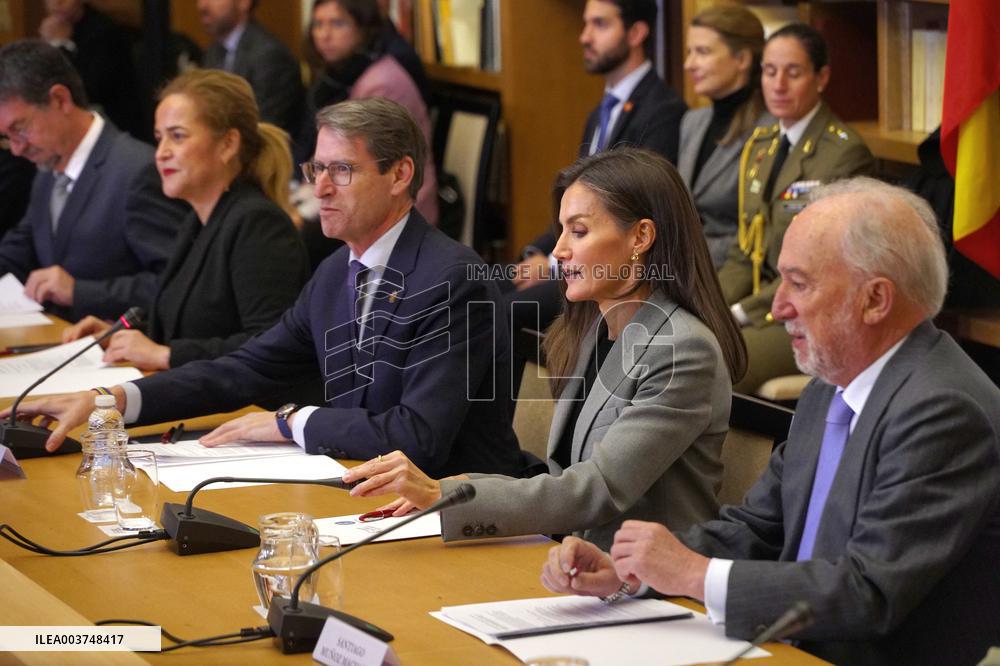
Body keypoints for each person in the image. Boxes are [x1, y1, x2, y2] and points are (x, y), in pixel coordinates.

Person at [540, 177, 1000, 665]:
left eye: (799, 283)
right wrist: (633, 570)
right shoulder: (831, 386)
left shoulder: (945, 411)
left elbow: (868, 593)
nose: (778, 308)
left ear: (875, 300)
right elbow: (758, 527)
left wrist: (693, 574)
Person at [7, 98, 523, 482]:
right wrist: (111, 400)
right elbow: (244, 368)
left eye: (341, 170)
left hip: (457, 512)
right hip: (360, 495)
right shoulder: (334, 273)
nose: (319, 188)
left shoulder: (453, 279)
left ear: (400, 174)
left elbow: (418, 438)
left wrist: (291, 421)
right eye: (317, 168)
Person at [341, 148, 747, 551]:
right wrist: (447, 490)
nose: (558, 251)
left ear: (640, 236)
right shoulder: (595, 330)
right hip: (574, 565)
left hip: (652, 587)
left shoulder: (681, 349)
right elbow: (561, 476)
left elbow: (597, 489)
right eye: (562, 231)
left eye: (580, 231)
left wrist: (440, 495)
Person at [61, 70, 308, 371]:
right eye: (158, 138)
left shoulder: (257, 223)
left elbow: (271, 343)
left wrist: (164, 355)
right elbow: (184, 323)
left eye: (177, 136)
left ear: (228, 144)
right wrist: (119, 335)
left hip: (247, 412)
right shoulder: (198, 220)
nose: (161, 153)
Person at [508, 0, 686, 333]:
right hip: (576, 256)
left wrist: (550, 266)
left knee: (505, 311)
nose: (584, 37)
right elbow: (579, 206)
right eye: (586, 24)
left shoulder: (662, 112)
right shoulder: (599, 113)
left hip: (616, 269)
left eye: (600, 25)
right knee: (486, 290)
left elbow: (630, 213)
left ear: (636, 33)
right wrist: (538, 252)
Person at [718, 23, 874, 393]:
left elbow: (822, 269)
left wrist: (737, 314)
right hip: (761, 306)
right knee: (674, 342)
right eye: (770, 72)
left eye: (793, 72)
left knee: (712, 361)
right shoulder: (761, 145)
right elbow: (745, 252)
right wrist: (707, 307)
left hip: (806, 315)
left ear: (821, 78)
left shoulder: (843, 154)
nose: (778, 85)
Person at [0, 40, 183, 322]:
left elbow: (179, 284)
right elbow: (20, 249)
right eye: (6, 137)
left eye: (19, 129)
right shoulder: (47, 170)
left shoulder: (137, 171)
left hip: (123, 353)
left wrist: (80, 292)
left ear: (60, 99)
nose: (16, 148)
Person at [296, 0, 438, 226]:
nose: (324, 34)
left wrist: (302, 214)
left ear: (363, 28)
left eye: (337, 23)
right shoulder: (342, 75)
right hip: (351, 192)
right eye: (318, 24)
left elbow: (359, 168)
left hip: (395, 211)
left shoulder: (381, 84)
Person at [677, 5, 770, 268]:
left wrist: (681, 253)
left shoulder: (769, 131)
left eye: (702, 52)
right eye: (689, 52)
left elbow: (760, 235)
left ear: (742, 59)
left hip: (732, 276)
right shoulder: (692, 121)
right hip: (684, 270)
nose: (689, 64)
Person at [198, 0, 304, 136]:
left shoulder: (270, 55)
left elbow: (263, 128)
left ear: (244, 3)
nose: (202, 5)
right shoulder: (214, 51)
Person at [39, 0, 142, 138]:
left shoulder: (104, 32)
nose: (57, 2)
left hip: (113, 128)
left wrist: (61, 45)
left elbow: (83, 92)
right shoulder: (51, 29)